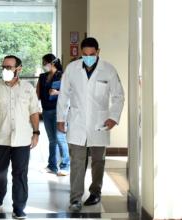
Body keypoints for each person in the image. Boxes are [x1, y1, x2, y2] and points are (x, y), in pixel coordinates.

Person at [57, 37, 125, 211]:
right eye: (85, 54)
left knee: (98, 161)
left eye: (92, 54)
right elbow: (63, 94)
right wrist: (60, 119)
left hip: (100, 122)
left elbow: (118, 95)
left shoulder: (108, 70)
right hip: (77, 122)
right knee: (77, 162)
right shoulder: (72, 69)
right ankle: (75, 198)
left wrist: (113, 117)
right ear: (81, 53)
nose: (88, 57)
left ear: (98, 52)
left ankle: (95, 192)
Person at [0, 55, 40, 219]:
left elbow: (34, 111)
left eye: (9, 67)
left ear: (19, 69)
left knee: (20, 174)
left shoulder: (28, 88)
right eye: (3, 67)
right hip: (0, 138)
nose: (5, 70)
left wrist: (36, 132)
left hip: (22, 139)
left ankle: (19, 207)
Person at [36, 54, 70, 176]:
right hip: (46, 110)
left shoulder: (62, 75)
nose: (44, 65)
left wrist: (57, 92)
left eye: (45, 62)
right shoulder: (43, 76)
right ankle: (52, 166)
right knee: (52, 140)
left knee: (60, 138)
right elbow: (37, 93)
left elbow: (69, 92)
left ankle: (65, 166)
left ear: (53, 62)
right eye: (43, 63)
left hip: (59, 110)